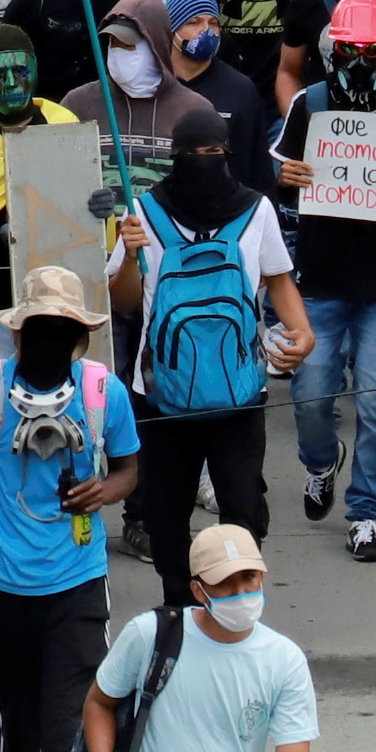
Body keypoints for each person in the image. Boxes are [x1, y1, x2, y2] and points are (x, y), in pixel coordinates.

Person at [0, 256, 137, 752]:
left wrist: (104, 491)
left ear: (79, 335)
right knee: (22, 737)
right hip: (2, 587)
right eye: (40, 329)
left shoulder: (101, 392)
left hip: (78, 583)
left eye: (62, 330)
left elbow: (129, 471)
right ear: (19, 333)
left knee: (71, 732)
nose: (51, 341)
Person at [111, 108, 307, 605]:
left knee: (244, 508)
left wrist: (303, 332)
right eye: (194, 155)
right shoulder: (142, 212)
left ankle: (237, 602)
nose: (205, 163)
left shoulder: (257, 210)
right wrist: (129, 253)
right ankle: (179, 605)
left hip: (238, 398)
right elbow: (126, 303)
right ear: (175, 158)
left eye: (214, 154)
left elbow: (278, 278)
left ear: (228, 155)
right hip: (161, 397)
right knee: (166, 515)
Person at [272, 0, 376, 561]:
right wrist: (286, 173)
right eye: (352, 50)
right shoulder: (308, 105)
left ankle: (365, 514)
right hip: (321, 280)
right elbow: (274, 161)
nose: (362, 61)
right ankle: (319, 462)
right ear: (334, 51)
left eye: (373, 50)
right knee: (310, 396)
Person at [87, 525, 318, 752]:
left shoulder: (286, 660)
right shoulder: (149, 634)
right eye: (224, 582)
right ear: (198, 591)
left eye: (248, 577)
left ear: (262, 576)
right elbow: (99, 703)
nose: (239, 592)